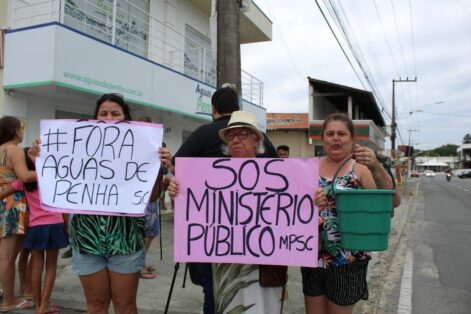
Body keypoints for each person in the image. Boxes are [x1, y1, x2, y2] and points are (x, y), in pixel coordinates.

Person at [30, 93, 171, 314]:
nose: (109, 117)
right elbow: (58, 181)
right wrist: (41, 156)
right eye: (103, 113)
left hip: (125, 240)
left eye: (116, 113)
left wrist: (156, 166)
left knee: (125, 307)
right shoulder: (78, 144)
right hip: (87, 239)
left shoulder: (141, 148)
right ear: (95, 117)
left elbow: (151, 198)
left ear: (126, 118)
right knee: (96, 306)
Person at [171, 86, 278, 314]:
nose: (236, 140)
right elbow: (183, 177)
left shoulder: (271, 174)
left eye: (242, 134)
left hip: (257, 255)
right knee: (219, 297)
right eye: (231, 136)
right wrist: (178, 190)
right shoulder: (216, 174)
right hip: (219, 249)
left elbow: (291, 200)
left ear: (256, 139)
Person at [303, 113, 399, 314]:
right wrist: (312, 206)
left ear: (352, 139)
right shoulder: (308, 167)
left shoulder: (362, 168)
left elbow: (392, 202)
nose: (336, 138)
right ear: (322, 138)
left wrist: (376, 166)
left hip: (348, 260)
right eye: (330, 134)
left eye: (341, 134)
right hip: (312, 258)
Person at [0, 147, 69, 313]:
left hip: (35, 226)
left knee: (36, 266)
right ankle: (45, 304)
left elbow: (3, 194)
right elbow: (63, 207)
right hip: (54, 224)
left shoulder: (23, 181)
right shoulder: (52, 177)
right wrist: (66, 226)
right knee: (51, 266)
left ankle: (37, 304)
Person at [0, 116, 36, 312]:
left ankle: (7, 295)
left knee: (5, 255)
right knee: (7, 257)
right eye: (20, 128)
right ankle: (9, 301)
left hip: (1, 201)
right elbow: (24, 176)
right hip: (12, 203)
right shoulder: (13, 150)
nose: (22, 132)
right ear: (14, 130)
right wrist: (48, 171)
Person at [136, 116, 166, 280]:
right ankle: (139, 265)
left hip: (152, 197)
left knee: (151, 232)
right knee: (145, 232)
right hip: (141, 198)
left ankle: (140, 262)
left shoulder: (156, 147)